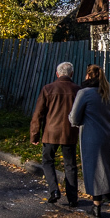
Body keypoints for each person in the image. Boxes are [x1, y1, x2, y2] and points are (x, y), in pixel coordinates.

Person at [69, 64, 110, 218]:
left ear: (88, 76)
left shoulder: (84, 93)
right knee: (101, 170)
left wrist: (83, 120)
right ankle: (96, 208)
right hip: (108, 137)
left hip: (91, 138)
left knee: (98, 172)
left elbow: (74, 118)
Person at [30, 61, 80, 206]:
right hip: (69, 133)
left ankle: (54, 190)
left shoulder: (48, 89)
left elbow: (38, 113)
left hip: (50, 133)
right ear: (72, 74)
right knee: (70, 165)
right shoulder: (78, 90)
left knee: (47, 161)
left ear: (57, 74)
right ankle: (72, 198)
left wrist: (34, 134)